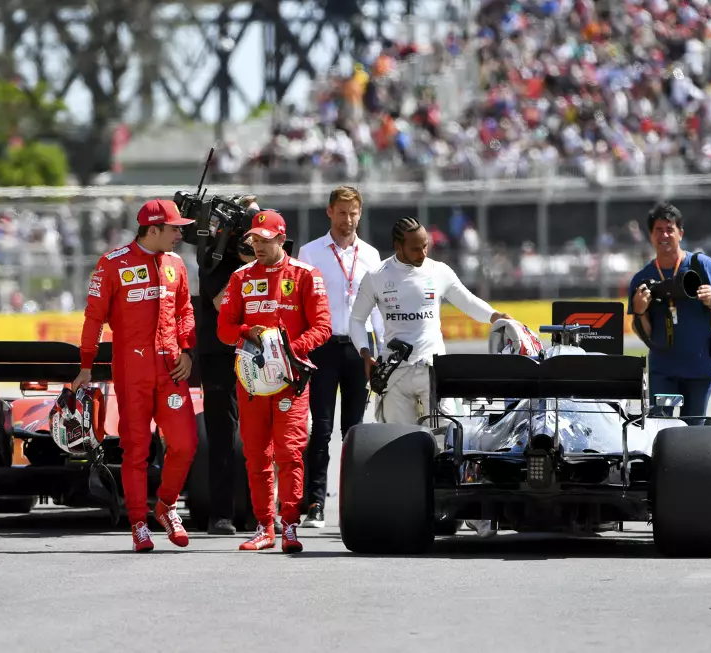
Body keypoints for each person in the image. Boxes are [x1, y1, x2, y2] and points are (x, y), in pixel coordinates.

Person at [348, 216, 509, 538]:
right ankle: (405, 513)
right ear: (397, 247)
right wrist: (365, 353)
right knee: (400, 447)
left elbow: (467, 301)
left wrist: (495, 316)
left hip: (434, 372)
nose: (422, 252)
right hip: (393, 376)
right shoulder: (377, 276)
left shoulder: (439, 271)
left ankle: (472, 512)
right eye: (415, 248)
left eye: (425, 246)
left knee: (450, 441)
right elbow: (356, 320)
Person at [72, 198, 199, 553]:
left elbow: (185, 311)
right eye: (174, 228)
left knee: (185, 443)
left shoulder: (176, 264)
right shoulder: (112, 263)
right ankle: (138, 523)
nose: (179, 235)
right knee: (136, 450)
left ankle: (166, 505)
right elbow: (94, 317)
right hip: (132, 372)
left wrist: (187, 351)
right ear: (153, 229)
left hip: (172, 370)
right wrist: (86, 365)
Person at [217, 209, 332, 553]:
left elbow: (323, 327)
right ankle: (264, 526)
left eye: (266, 241)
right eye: (255, 241)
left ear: (282, 239)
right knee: (255, 455)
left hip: (290, 378)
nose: (259, 247)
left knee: (289, 452)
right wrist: (244, 332)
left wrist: (286, 350)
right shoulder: (239, 278)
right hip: (251, 382)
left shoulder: (306, 275)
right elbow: (223, 329)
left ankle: (290, 526)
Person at [296, 185, 384, 529]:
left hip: (360, 349)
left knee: (354, 430)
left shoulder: (372, 256)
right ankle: (315, 503)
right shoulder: (311, 252)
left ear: (360, 214)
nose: (348, 220)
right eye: (342, 213)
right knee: (320, 428)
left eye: (354, 213)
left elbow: (379, 307)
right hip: (321, 347)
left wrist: (379, 349)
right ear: (330, 212)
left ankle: (355, 501)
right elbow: (300, 304)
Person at [627, 203, 711, 419]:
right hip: (663, 371)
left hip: (699, 368)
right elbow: (644, 332)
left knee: (693, 430)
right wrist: (640, 312)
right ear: (651, 235)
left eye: (670, 229)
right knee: (659, 427)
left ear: (681, 233)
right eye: (659, 230)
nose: (664, 235)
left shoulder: (700, 264)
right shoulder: (641, 278)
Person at [196, 194, 258, 536]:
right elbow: (226, 307)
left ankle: (258, 511)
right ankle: (220, 514)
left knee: (257, 434)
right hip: (219, 353)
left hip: (257, 352)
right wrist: (247, 268)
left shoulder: (271, 260)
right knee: (222, 434)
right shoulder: (213, 260)